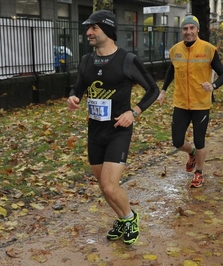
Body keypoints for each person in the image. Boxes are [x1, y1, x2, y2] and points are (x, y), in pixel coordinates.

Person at [67, 10, 159, 245]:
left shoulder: (127, 60)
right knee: (103, 186)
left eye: (94, 28)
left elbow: (153, 90)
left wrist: (134, 112)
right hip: (95, 132)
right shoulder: (87, 60)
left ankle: (130, 217)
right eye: (88, 28)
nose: (88, 32)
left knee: (109, 185)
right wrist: (73, 97)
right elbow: (78, 87)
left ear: (107, 30)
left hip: (119, 130)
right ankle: (121, 219)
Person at [157, 15, 223, 188]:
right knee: (177, 141)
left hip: (200, 104)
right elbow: (170, 71)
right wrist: (163, 90)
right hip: (181, 103)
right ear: (182, 30)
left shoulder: (209, 49)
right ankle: (192, 153)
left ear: (197, 30)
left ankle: (199, 173)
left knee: (200, 139)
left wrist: (213, 85)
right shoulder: (175, 50)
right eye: (185, 28)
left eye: (191, 28)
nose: (188, 32)